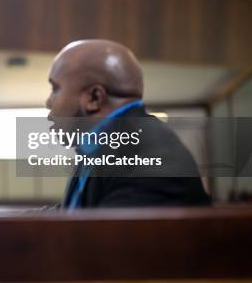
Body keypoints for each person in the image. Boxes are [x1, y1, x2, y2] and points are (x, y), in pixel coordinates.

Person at [46, 39, 211, 209]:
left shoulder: (144, 160)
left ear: (94, 98)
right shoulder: (107, 146)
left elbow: (95, 233)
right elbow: (72, 213)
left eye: (55, 89)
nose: (48, 102)